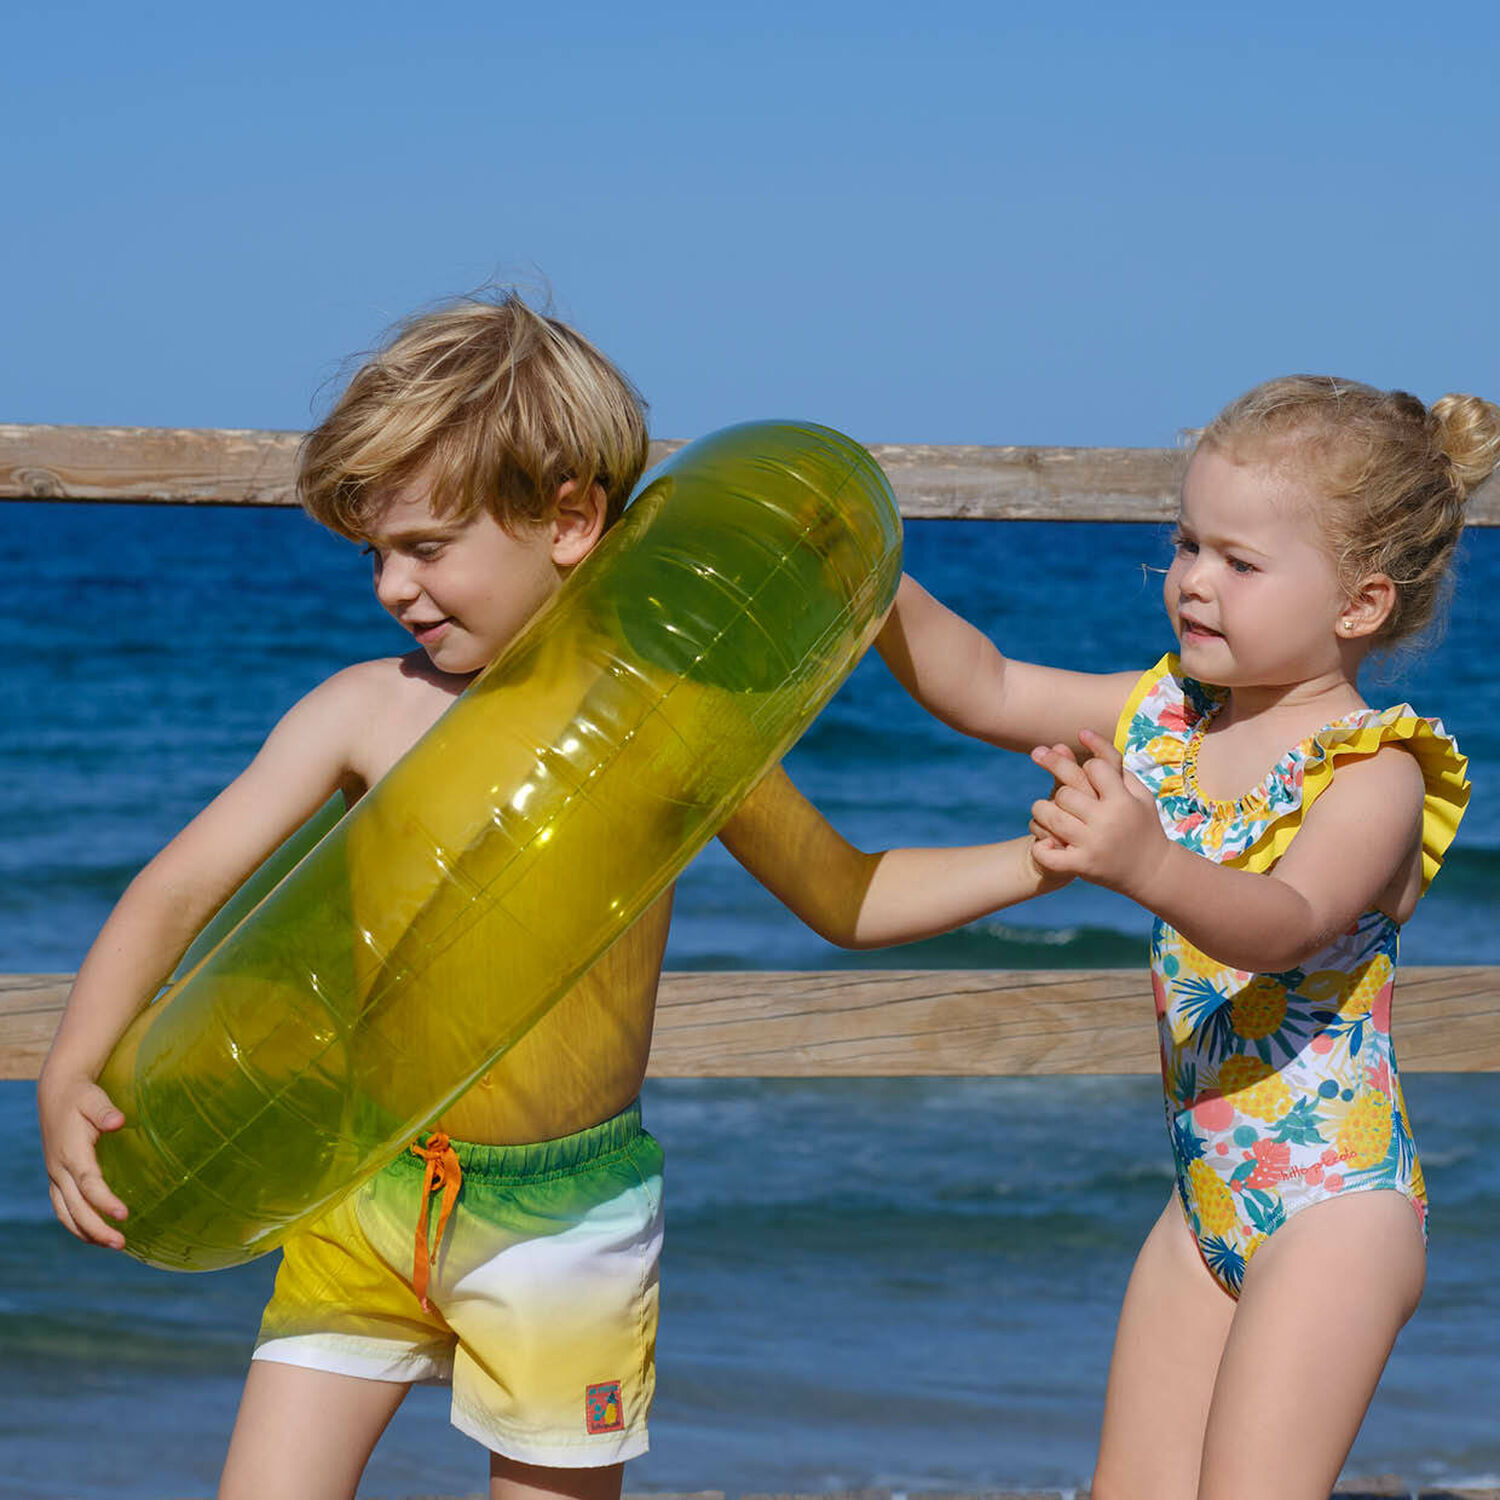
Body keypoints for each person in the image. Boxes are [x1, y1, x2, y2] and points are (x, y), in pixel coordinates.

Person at [37, 291, 1059, 1500]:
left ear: (571, 519)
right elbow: (178, 889)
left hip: (561, 1224)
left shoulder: (672, 727)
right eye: (374, 553)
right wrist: (73, 1067)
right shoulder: (366, 709)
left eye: (426, 547)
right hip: (364, 1180)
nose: (389, 588)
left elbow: (845, 896)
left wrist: (1041, 861)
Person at [877, 375, 1499, 1500]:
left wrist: (1146, 864)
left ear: (1359, 605)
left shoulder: (1374, 770)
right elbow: (983, 684)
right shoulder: (1162, 718)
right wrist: (865, 575)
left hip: (1336, 1213)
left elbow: (1291, 924)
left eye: (1239, 562)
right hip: (1203, 1203)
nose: (1193, 581)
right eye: (1185, 544)